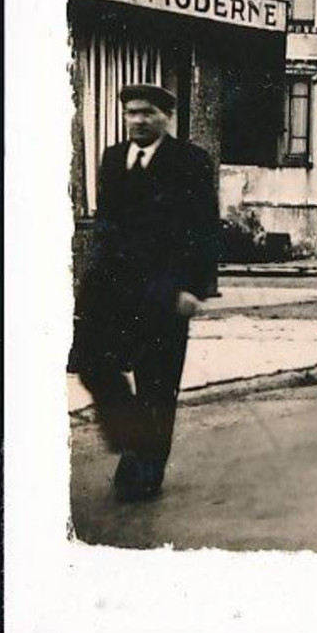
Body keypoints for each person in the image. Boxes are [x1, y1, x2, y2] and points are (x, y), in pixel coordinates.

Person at [71, 84, 219, 503]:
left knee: (157, 383)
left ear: (166, 117)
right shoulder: (114, 159)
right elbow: (107, 228)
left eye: (147, 113)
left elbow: (205, 230)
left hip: (166, 293)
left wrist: (193, 288)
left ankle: (147, 469)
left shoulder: (190, 162)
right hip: (115, 292)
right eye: (131, 112)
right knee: (94, 365)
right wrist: (88, 289)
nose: (137, 120)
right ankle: (131, 439)